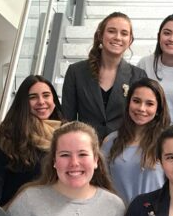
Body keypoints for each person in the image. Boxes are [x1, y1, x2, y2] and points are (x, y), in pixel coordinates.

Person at [61, 12, 147, 141]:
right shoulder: (76, 72)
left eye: (124, 33)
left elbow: (141, 119)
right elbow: (68, 119)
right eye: (111, 31)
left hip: (122, 146)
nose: (117, 37)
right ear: (100, 35)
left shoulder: (138, 76)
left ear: (130, 40)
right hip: (86, 146)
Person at [0, 75, 62, 206]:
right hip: (18, 212)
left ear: (54, 99)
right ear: (23, 102)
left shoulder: (67, 134)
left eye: (46, 95)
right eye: (33, 97)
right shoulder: (9, 135)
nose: (41, 101)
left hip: (58, 211)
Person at [101, 78, 170, 204]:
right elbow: (101, 184)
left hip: (155, 214)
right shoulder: (110, 141)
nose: (142, 108)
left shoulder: (167, 143)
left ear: (158, 109)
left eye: (149, 104)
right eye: (136, 101)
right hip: (118, 213)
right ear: (128, 103)